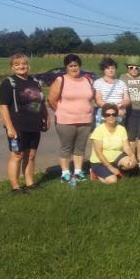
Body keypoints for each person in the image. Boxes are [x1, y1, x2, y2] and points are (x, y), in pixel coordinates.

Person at [0, 53, 49, 193]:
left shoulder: (35, 82)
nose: (21, 66)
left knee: (31, 155)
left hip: (34, 125)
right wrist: (9, 127)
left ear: (28, 65)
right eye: (17, 64)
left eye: (24, 63)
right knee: (17, 155)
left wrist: (46, 117)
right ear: (12, 67)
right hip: (17, 126)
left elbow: (41, 102)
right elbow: (2, 107)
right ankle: (15, 187)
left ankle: (30, 182)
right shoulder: (9, 83)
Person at [48, 54, 95, 183]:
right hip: (65, 121)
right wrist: (62, 111)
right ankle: (65, 173)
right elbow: (52, 100)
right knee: (66, 148)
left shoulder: (88, 80)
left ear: (80, 66)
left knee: (80, 148)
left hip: (85, 120)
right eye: (71, 66)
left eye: (76, 65)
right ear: (66, 67)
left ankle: (78, 172)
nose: (74, 68)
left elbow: (91, 98)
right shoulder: (60, 80)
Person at [89, 104, 137, 184]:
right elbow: (98, 152)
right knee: (113, 180)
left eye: (114, 114)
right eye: (108, 115)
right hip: (99, 161)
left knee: (131, 164)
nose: (111, 116)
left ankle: (118, 172)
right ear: (104, 116)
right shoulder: (98, 130)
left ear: (116, 115)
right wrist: (110, 168)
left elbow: (126, 147)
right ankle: (94, 174)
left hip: (116, 157)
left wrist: (132, 156)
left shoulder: (121, 128)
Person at [120, 56, 140, 165]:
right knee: (131, 136)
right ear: (127, 67)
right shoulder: (123, 78)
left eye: (136, 68)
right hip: (131, 110)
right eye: (131, 67)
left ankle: (139, 156)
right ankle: (131, 157)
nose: (134, 69)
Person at [94, 57, 130, 124]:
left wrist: (122, 104)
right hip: (105, 117)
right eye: (108, 68)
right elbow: (99, 100)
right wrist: (113, 111)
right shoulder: (98, 82)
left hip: (119, 117)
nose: (111, 70)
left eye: (112, 68)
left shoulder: (122, 83)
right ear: (103, 70)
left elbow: (127, 99)